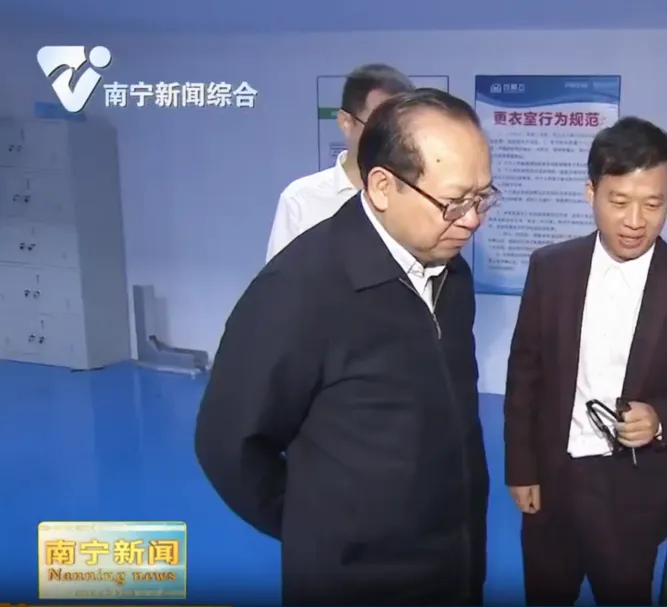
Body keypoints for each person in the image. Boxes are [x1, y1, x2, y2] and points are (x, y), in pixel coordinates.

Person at [195, 89, 499, 606]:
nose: (471, 220)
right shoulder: (299, 291)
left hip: (454, 564)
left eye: (482, 198)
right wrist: (325, 531)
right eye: (454, 202)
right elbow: (229, 445)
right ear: (382, 186)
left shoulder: (453, 274)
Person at [503, 116, 667, 606]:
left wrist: (661, 417)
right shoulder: (550, 268)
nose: (635, 221)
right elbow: (525, 372)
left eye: (653, 204)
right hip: (554, 478)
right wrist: (521, 468)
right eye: (619, 201)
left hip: (633, 489)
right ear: (591, 193)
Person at [265, 63, 414, 262]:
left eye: (401, 127)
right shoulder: (301, 201)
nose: (392, 137)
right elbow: (280, 279)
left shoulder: (418, 196)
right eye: (379, 126)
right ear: (346, 122)